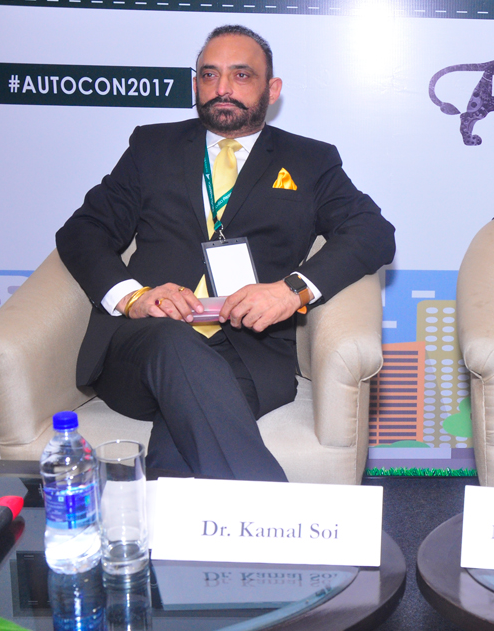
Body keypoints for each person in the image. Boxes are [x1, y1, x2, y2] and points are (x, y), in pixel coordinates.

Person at [56, 25, 395, 481]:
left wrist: (291, 291)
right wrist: (132, 297)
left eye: (241, 75)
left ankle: (173, 519)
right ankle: (281, 516)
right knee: (173, 343)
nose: (222, 89)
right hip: (144, 345)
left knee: (185, 430)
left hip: (247, 351)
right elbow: (83, 230)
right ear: (195, 84)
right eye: (209, 75)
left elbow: (372, 232)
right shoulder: (151, 147)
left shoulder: (310, 160)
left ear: (271, 89)